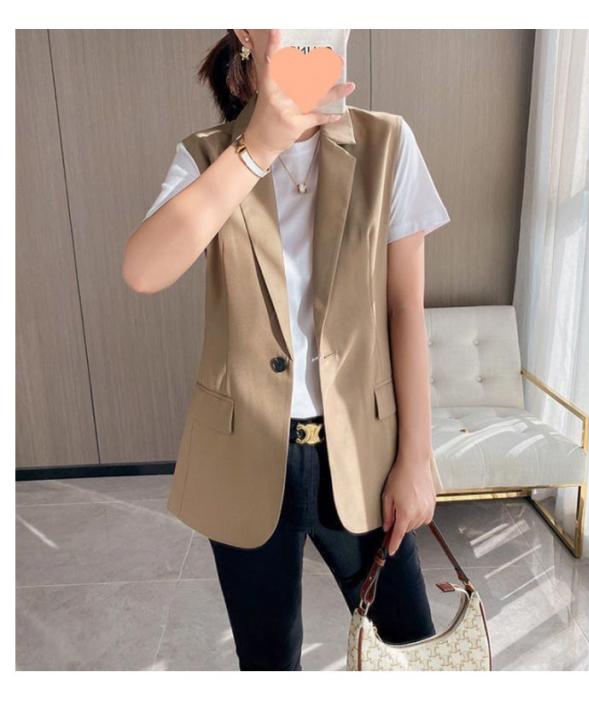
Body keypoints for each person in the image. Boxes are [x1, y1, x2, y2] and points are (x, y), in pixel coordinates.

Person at [122, 29, 451, 671]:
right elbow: (143, 271)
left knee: (410, 652)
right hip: (244, 456)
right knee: (269, 661)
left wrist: (417, 457)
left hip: (364, 453)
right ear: (247, 32)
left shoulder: (387, 143)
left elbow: (404, 309)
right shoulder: (207, 155)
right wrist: (258, 150)